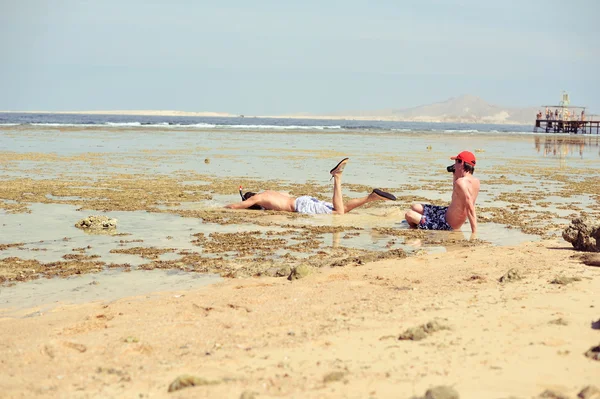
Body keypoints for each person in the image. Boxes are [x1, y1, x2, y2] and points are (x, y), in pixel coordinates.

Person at [224, 158, 397, 214]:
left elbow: (238, 206)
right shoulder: (270, 192)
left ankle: (337, 177)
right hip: (303, 200)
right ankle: (371, 197)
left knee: (337, 214)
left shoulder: (259, 199)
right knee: (342, 209)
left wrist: (222, 208)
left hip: (300, 206)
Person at [404, 151, 480, 234]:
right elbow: (457, 196)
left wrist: (474, 232)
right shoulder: (476, 181)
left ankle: (418, 228)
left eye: (456, 162)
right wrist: (455, 175)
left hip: (446, 224)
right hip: (445, 213)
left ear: (461, 163)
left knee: (409, 215)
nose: (454, 165)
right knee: (416, 207)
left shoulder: (460, 182)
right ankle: (421, 221)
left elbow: (470, 207)